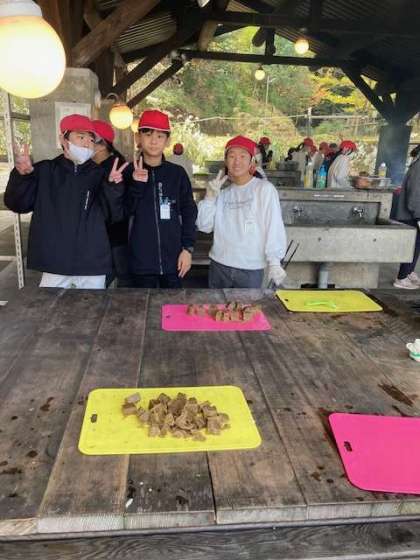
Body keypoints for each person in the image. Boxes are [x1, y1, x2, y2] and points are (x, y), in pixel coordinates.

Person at [4, 114, 128, 289]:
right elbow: (17, 204)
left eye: (91, 139)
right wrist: (23, 177)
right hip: (55, 263)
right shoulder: (44, 170)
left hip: (92, 263)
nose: (87, 143)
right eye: (81, 137)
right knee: (51, 305)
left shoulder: (100, 175)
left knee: (92, 306)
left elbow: (114, 215)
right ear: (63, 139)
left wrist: (113, 187)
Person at [196, 135, 287, 289]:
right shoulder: (223, 193)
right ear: (226, 161)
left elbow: (273, 226)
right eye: (231, 156)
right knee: (216, 305)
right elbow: (204, 226)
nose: (237, 161)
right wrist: (209, 198)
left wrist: (274, 262)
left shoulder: (264, 189)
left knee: (248, 305)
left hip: (250, 269)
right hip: (219, 266)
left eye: (243, 156)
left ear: (252, 161)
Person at [126, 109, 197, 289]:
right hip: (139, 263)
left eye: (160, 136)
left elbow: (189, 212)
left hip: (174, 261)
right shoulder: (127, 172)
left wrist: (187, 249)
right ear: (138, 138)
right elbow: (121, 213)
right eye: (148, 134)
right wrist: (135, 186)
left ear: (168, 140)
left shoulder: (177, 174)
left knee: (173, 305)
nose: (153, 141)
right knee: (141, 307)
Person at [92, 119, 132, 287]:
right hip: (101, 236)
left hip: (116, 237)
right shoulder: (92, 166)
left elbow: (121, 207)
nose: (84, 143)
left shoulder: (118, 168)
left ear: (102, 145)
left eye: (89, 139)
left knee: (123, 281)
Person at [393, 147, 420, 289]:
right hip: (411, 214)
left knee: (417, 245)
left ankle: (409, 272)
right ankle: (401, 278)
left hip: (413, 213)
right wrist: (418, 215)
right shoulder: (419, 166)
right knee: (412, 246)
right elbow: (415, 194)